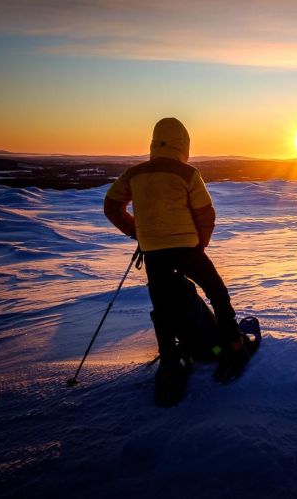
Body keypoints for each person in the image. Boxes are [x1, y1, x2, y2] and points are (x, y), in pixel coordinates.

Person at [103, 117, 247, 405]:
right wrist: (200, 244)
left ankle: (170, 363)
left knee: (163, 306)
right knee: (216, 290)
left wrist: (136, 231)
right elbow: (206, 214)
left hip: (154, 253)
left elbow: (111, 206)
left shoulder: (134, 173)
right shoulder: (188, 173)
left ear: (154, 142)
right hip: (187, 250)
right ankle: (231, 342)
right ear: (184, 144)